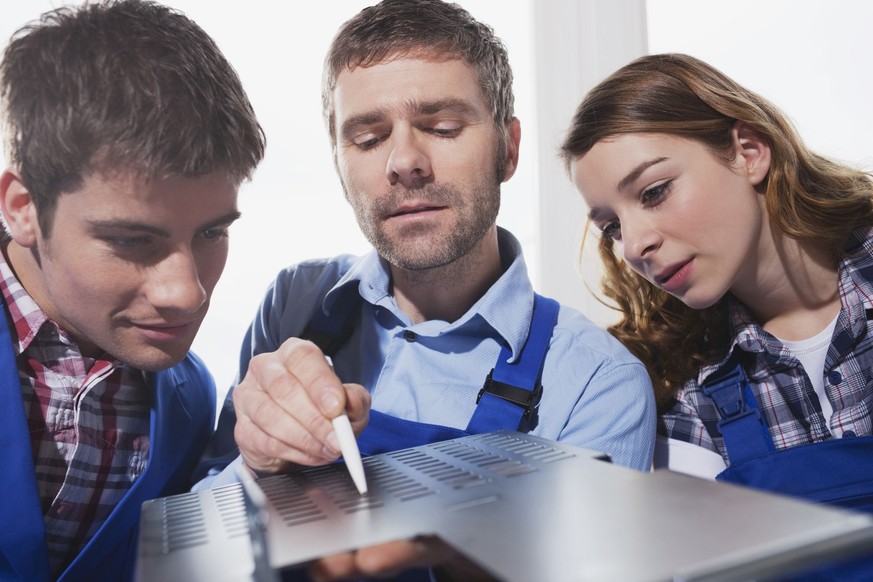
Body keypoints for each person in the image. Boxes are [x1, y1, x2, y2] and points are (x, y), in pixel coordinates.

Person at [196, 0, 655, 578]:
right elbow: (199, 535)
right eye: (366, 138)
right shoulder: (296, 302)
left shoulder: (595, 382)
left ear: (508, 149)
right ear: (340, 166)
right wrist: (256, 466)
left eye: (442, 128)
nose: (405, 162)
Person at [561, 52, 873, 578]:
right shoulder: (685, 390)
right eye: (613, 227)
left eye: (654, 192)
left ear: (749, 153)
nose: (636, 244)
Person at [0, 1, 265, 580]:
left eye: (212, 232)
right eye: (132, 240)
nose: (186, 292)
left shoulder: (192, 400)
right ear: (23, 209)